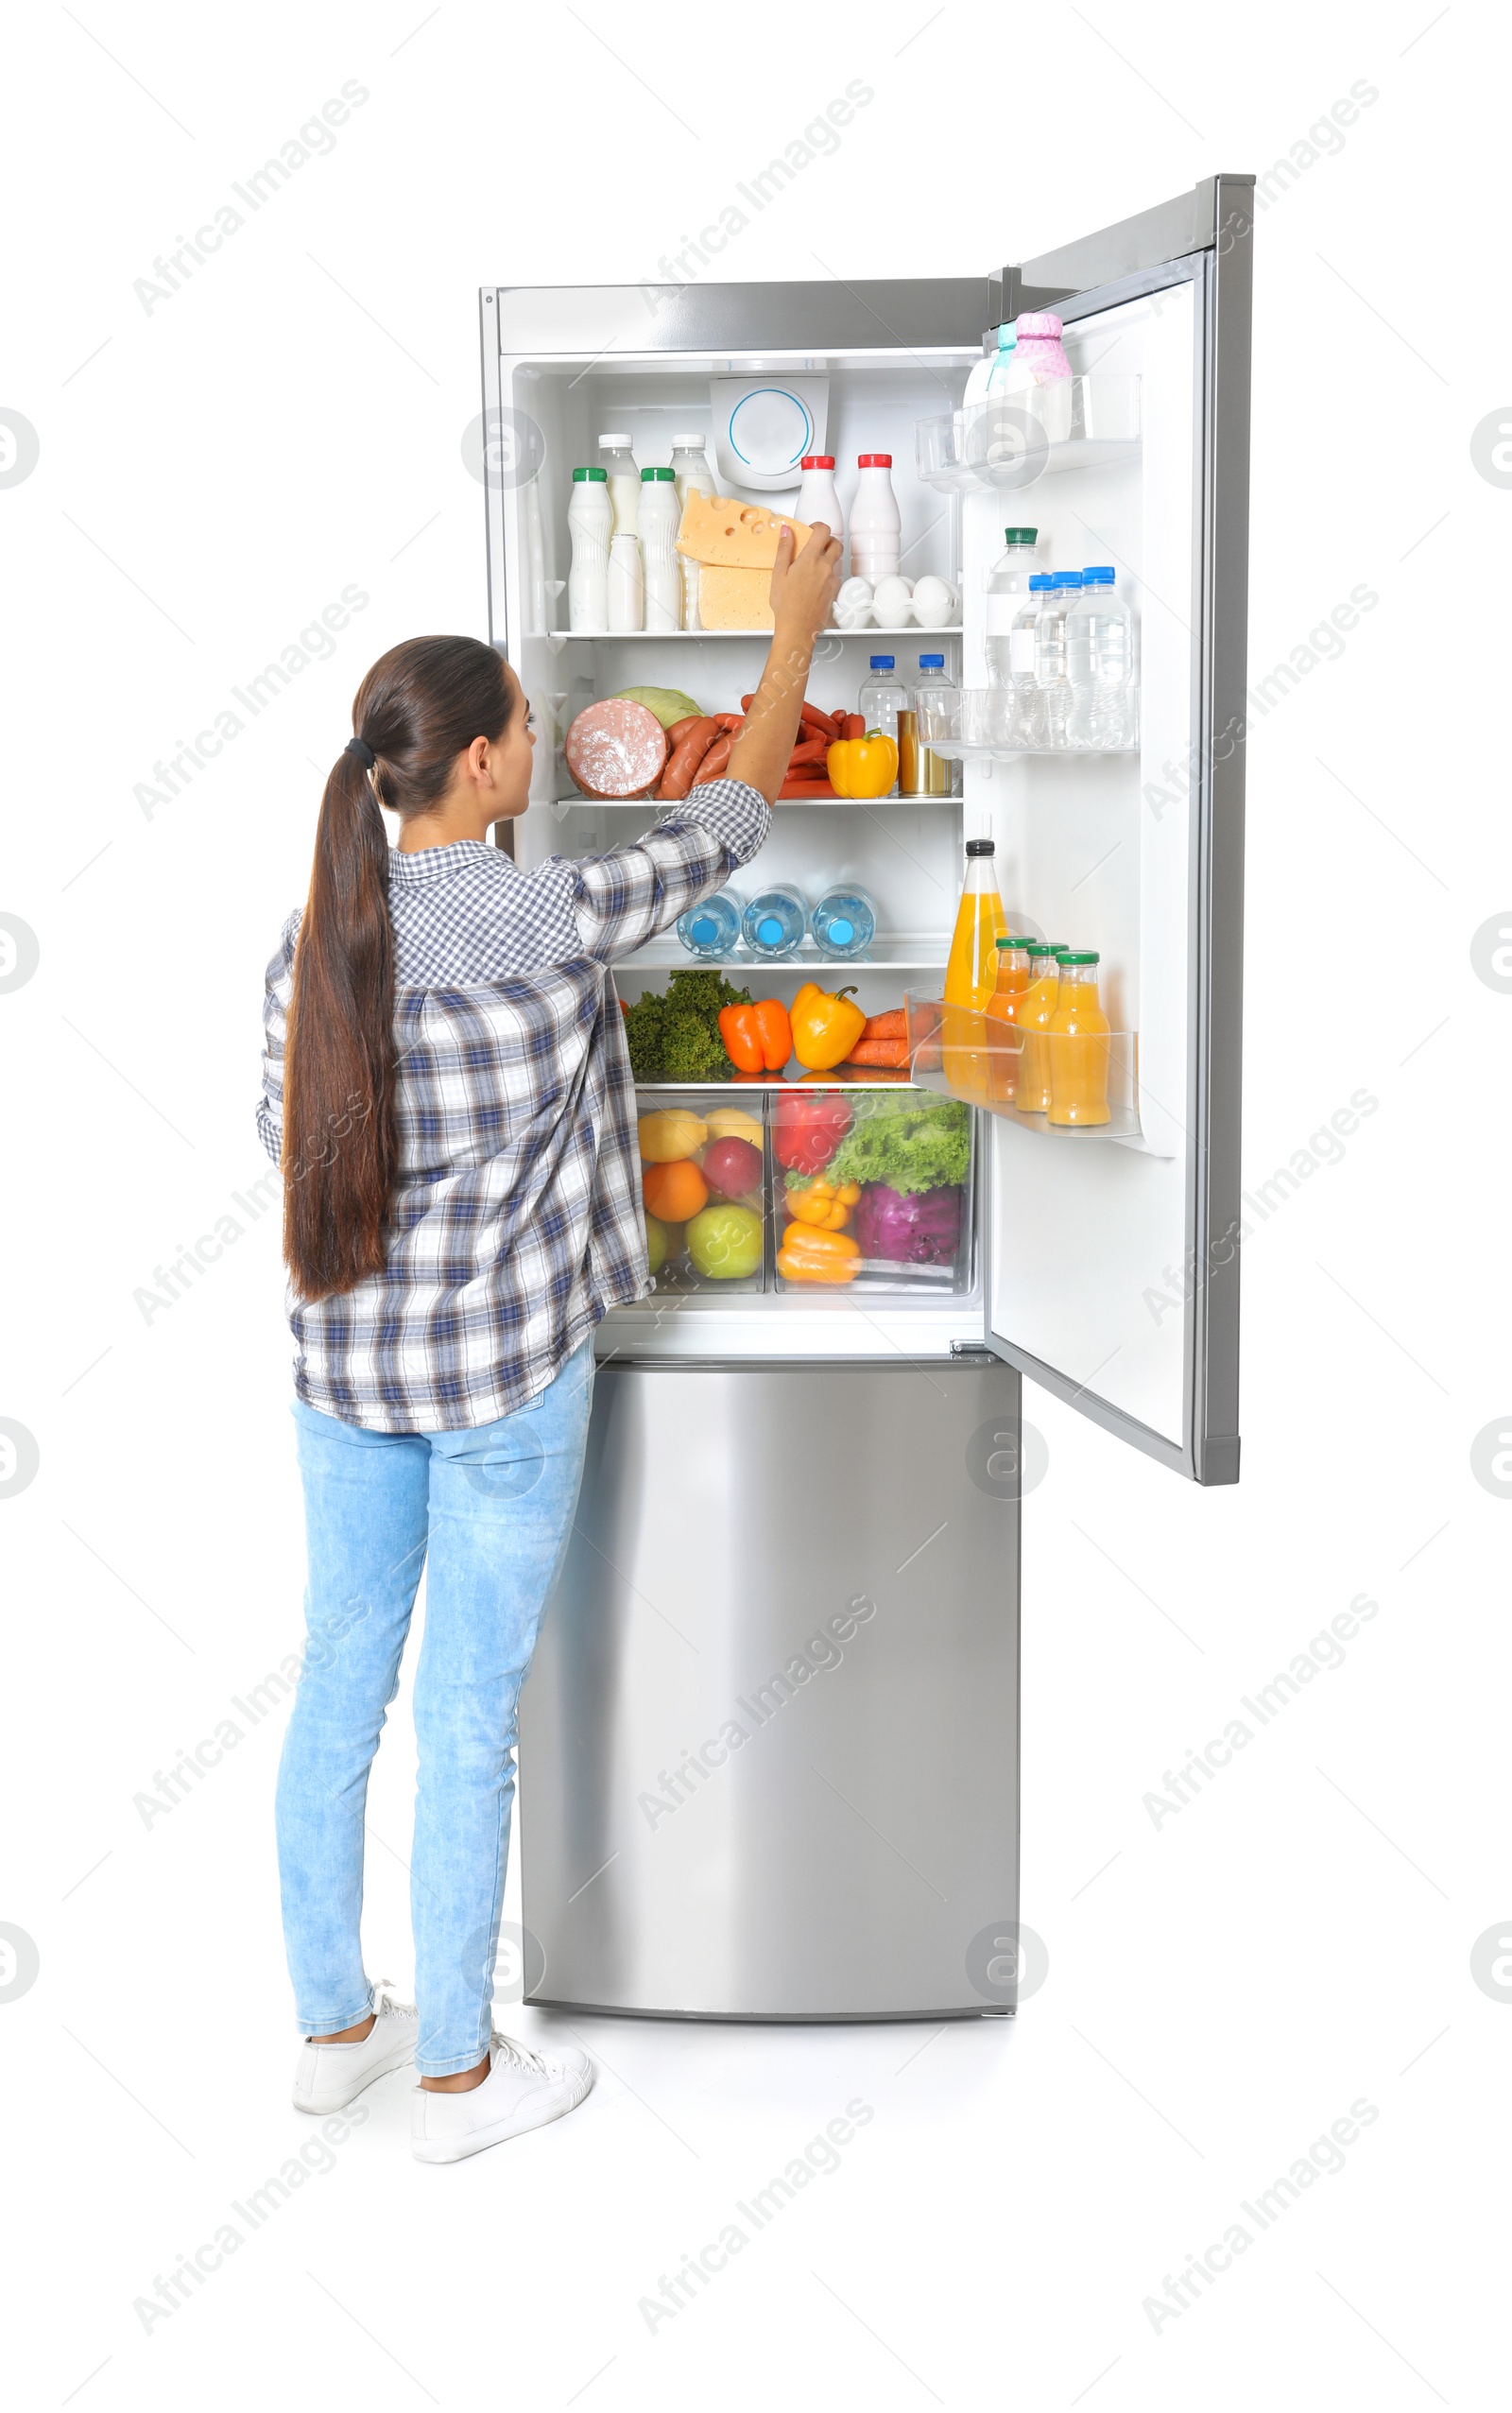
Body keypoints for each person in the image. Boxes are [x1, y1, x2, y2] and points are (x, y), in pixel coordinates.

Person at [257, 523, 844, 2163]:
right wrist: (794, 633)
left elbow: (275, 1132)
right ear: (493, 763)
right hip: (509, 1386)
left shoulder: (311, 950)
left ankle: (333, 2032)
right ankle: (458, 2075)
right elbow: (731, 819)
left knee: (336, 1695)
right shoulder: (552, 916)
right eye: (522, 718)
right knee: (468, 1715)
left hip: (347, 1385)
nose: (530, 735)